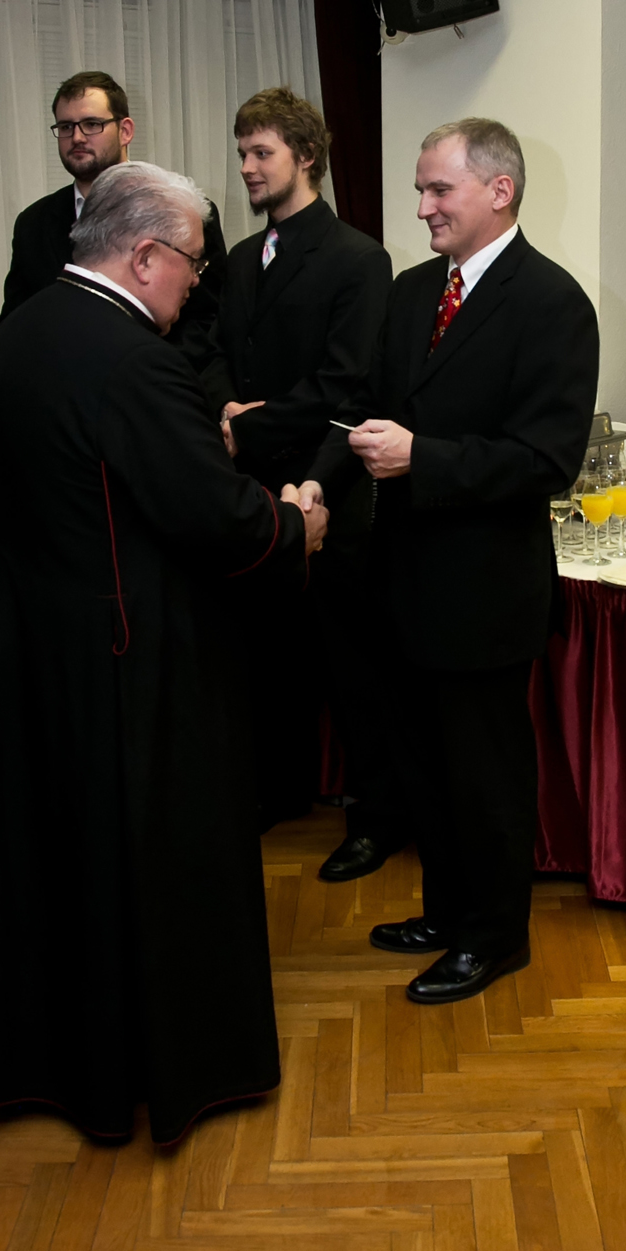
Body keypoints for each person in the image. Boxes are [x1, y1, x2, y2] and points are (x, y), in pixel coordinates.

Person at [0, 160, 327, 1145]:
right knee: (154, 864)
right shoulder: (135, 361)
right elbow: (216, 521)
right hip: (133, 660)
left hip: (37, 650)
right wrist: (294, 527)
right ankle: (169, 1066)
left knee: (60, 864)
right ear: (142, 255)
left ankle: (68, 1061)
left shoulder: (20, 334)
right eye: (192, 263)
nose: (197, 284)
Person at [305, 119, 598, 1005]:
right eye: (421, 190)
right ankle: (446, 913)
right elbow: (363, 407)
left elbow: (547, 460)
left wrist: (421, 458)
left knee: (484, 779)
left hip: (485, 595)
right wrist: (315, 482)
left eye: (439, 190)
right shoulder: (411, 292)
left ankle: (496, 937)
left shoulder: (552, 303)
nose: (422, 207)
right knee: (426, 770)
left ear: (499, 191)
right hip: (400, 582)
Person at [195, 87, 399, 862]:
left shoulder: (359, 258)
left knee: (351, 666)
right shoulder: (242, 260)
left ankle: (377, 817)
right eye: (242, 152)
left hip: (329, 482)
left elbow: (345, 385)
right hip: (251, 487)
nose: (247, 167)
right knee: (269, 655)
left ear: (306, 156)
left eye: (262, 152)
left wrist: (246, 426)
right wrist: (224, 410)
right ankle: (277, 790)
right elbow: (215, 352)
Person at [0, 69, 226, 360]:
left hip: (156, 376)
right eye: (65, 127)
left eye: (92, 124)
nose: (77, 137)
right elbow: (15, 321)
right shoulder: (33, 223)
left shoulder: (186, 212)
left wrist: (145, 369)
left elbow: (210, 319)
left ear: (125, 130)